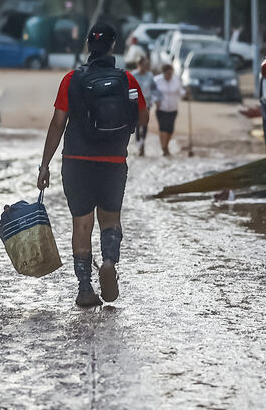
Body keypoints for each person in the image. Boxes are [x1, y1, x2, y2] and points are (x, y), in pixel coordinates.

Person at [38, 23, 149, 307]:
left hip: (76, 161)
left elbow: (57, 123)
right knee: (110, 220)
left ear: (88, 46)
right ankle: (109, 261)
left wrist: (44, 165)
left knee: (82, 224)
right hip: (113, 162)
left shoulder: (71, 80)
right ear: (113, 47)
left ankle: (85, 288)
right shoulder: (128, 81)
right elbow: (143, 119)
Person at [152, 63, 185, 156]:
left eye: (170, 73)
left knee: (170, 129)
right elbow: (153, 92)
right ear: (163, 73)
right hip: (161, 108)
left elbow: (181, 91)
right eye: (167, 74)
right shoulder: (157, 80)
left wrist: (186, 94)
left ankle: (166, 146)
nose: (169, 76)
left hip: (173, 109)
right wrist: (156, 101)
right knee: (163, 128)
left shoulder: (176, 80)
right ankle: (164, 149)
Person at [132, 56, 157, 156]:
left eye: (145, 65)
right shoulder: (133, 75)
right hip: (135, 103)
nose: (144, 66)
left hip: (147, 102)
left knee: (145, 123)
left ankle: (143, 143)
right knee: (137, 124)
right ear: (138, 65)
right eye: (142, 64)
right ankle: (139, 144)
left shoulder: (150, 76)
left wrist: (155, 100)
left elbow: (154, 89)